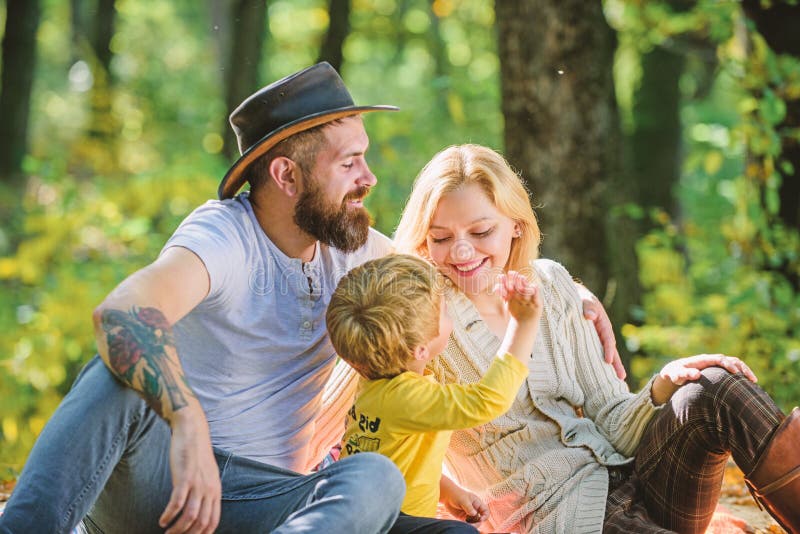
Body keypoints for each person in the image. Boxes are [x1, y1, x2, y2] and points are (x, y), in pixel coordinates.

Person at [0, 63, 619, 533]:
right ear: (287, 176)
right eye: (349, 163)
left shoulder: (353, 248)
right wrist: (185, 422)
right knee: (116, 377)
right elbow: (123, 312)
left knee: (377, 477)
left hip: (280, 506)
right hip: (167, 484)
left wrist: (575, 295)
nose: (369, 179)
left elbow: (461, 263)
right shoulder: (223, 237)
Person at [388, 144, 800, 534]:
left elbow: (613, 420)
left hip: (633, 476)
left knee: (714, 384)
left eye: (480, 232)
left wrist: (661, 386)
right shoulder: (419, 316)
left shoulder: (551, 282)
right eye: (440, 238)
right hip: (558, 516)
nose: (460, 252)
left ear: (515, 225)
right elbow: (376, 419)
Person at [327, 253, 542, 532]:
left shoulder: (377, 384)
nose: (448, 309)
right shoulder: (406, 398)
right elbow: (486, 402)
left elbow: (396, 456)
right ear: (420, 350)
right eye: (443, 310)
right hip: (389, 524)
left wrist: (447, 489)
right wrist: (523, 324)